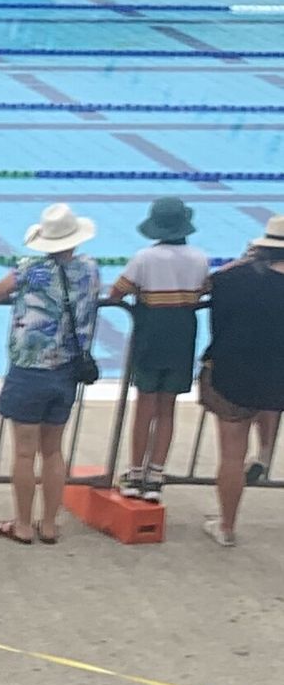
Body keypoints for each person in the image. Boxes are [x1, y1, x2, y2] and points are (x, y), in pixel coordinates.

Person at [0, 202, 99, 547]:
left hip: (29, 370)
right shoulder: (90, 269)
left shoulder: (30, 268)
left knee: (24, 452)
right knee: (53, 451)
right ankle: (49, 524)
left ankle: (22, 524)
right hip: (67, 370)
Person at [106, 194, 207, 497]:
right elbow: (203, 290)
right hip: (183, 337)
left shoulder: (145, 258)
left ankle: (135, 473)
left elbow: (115, 293)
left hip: (150, 336)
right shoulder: (199, 258)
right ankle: (156, 475)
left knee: (144, 407)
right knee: (167, 408)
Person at [198, 208, 284, 546]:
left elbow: (207, 285)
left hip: (232, 377)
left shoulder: (233, 279)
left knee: (231, 455)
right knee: (270, 400)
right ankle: (265, 450)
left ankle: (227, 527)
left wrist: (244, 260)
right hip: (277, 377)